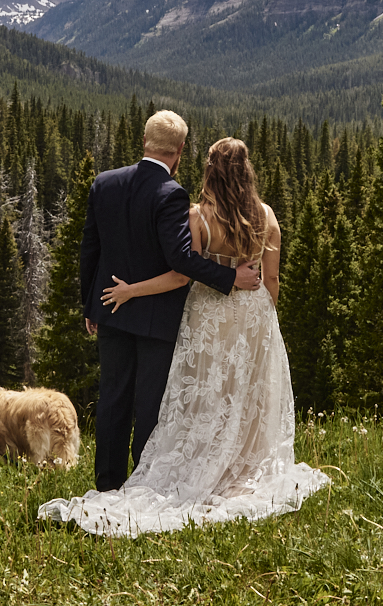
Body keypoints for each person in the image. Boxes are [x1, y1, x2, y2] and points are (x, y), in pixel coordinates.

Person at [38, 137, 330, 535]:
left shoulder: (199, 217)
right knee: (245, 395)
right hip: (254, 317)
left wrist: (126, 291)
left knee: (204, 396)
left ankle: (179, 468)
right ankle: (239, 471)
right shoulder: (267, 216)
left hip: (209, 315)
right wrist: (267, 319)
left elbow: (182, 272)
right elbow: (272, 278)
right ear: (247, 173)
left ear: (210, 171)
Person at [72, 111, 260, 494]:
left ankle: (108, 485)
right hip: (157, 318)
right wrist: (230, 277)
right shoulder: (171, 193)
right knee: (150, 404)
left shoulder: (104, 183)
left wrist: (89, 304)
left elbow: (90, 247)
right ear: (180, 151)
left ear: (145, 141)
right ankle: (142, 486)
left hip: (110, 307)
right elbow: (180, 260)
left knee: (112, 399)